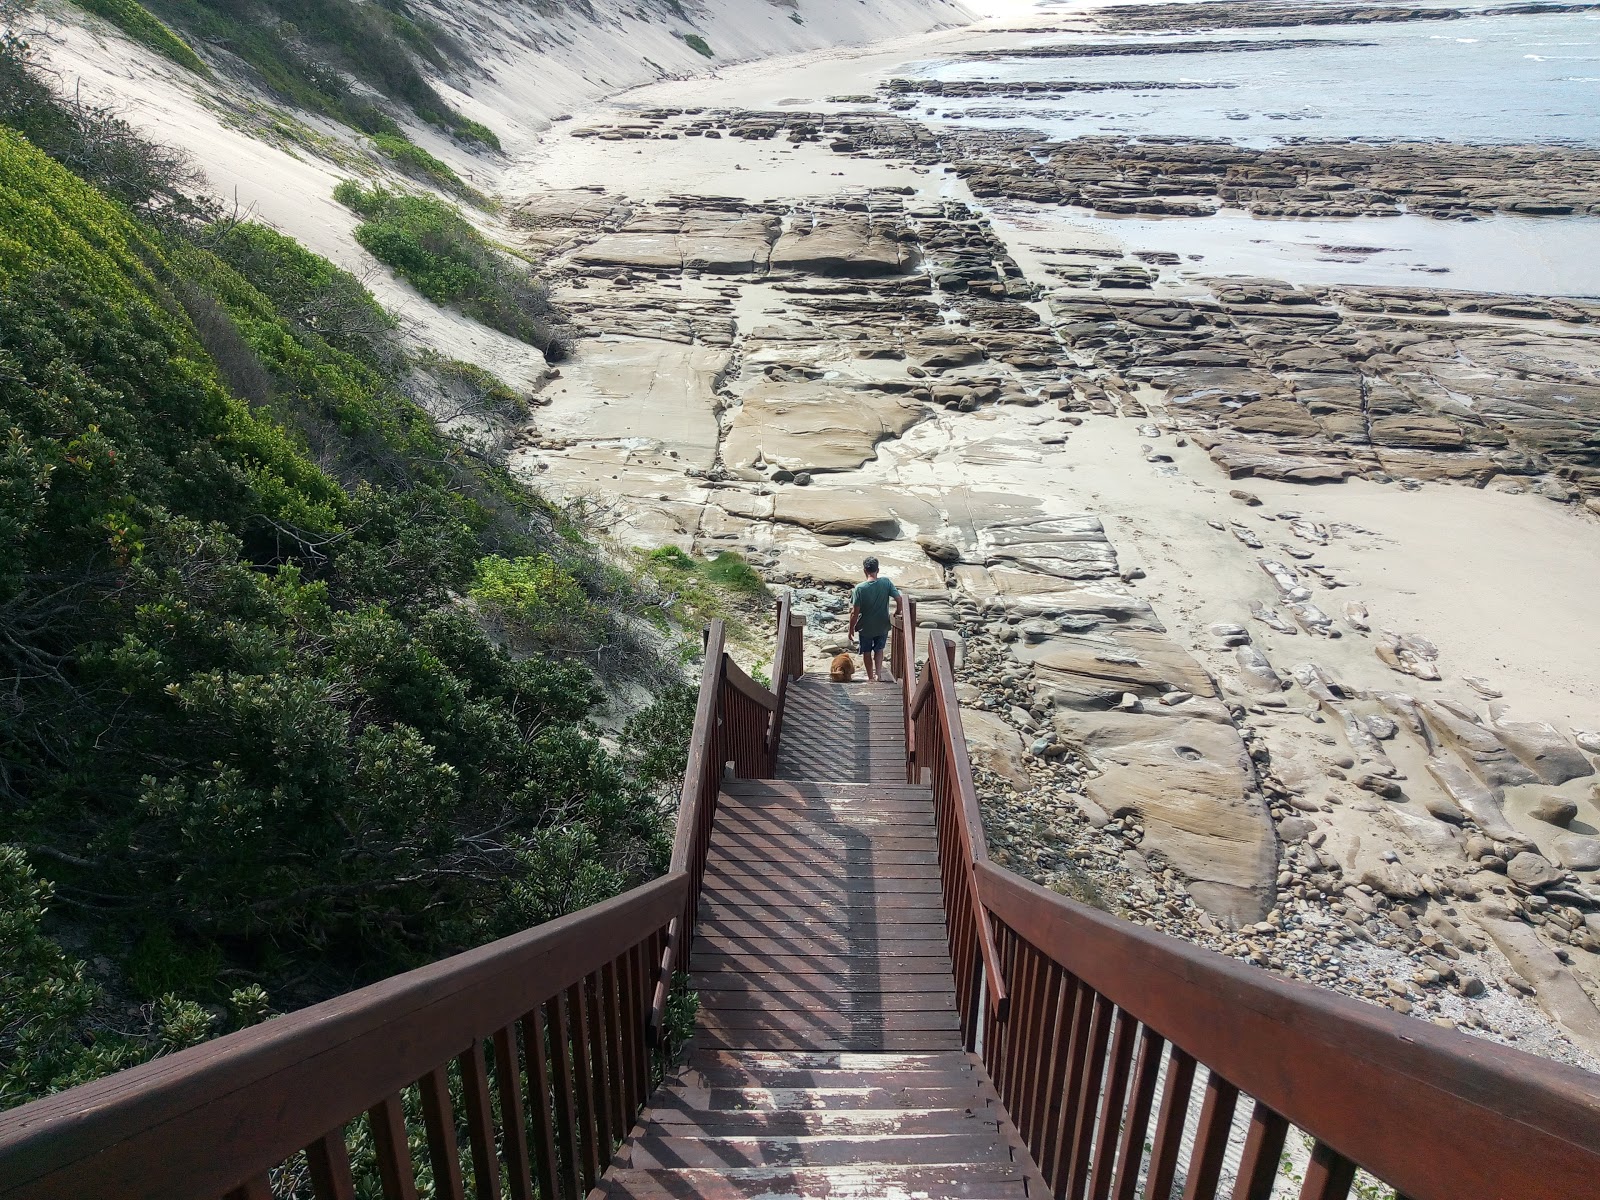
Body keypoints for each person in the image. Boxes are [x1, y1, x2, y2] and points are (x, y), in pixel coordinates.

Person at [848, 557, 899, 684]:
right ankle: (879, 675)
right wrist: (897, 612)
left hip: (866, 627)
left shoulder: (859, 588)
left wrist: (851, 629)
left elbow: (855, 612)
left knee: (866, 651)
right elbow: (899, 599)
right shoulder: (886, 582)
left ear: (865, 570)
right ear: (878, 570)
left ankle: (870, 677)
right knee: (879, 649)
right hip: (883, 624)